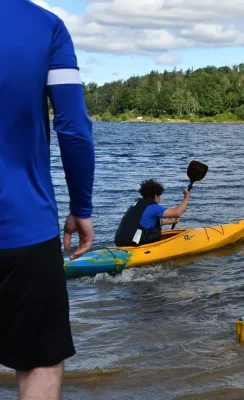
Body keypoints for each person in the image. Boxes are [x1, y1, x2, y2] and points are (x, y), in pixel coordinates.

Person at [0, 1, 95, 399]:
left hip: (24, 227)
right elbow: (73, 128)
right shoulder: (46, 26)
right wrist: (82, 208)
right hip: (23, 225)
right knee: (39, 360)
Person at [114, 179, 191, 246]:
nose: (160, 198)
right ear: (155, 196)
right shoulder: (152, 207)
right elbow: (177, 212)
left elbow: (147, 223)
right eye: (159, 195)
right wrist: (187, 197)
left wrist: (171, 221)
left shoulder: (137, 204)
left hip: (120, 242)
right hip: (133, 244)